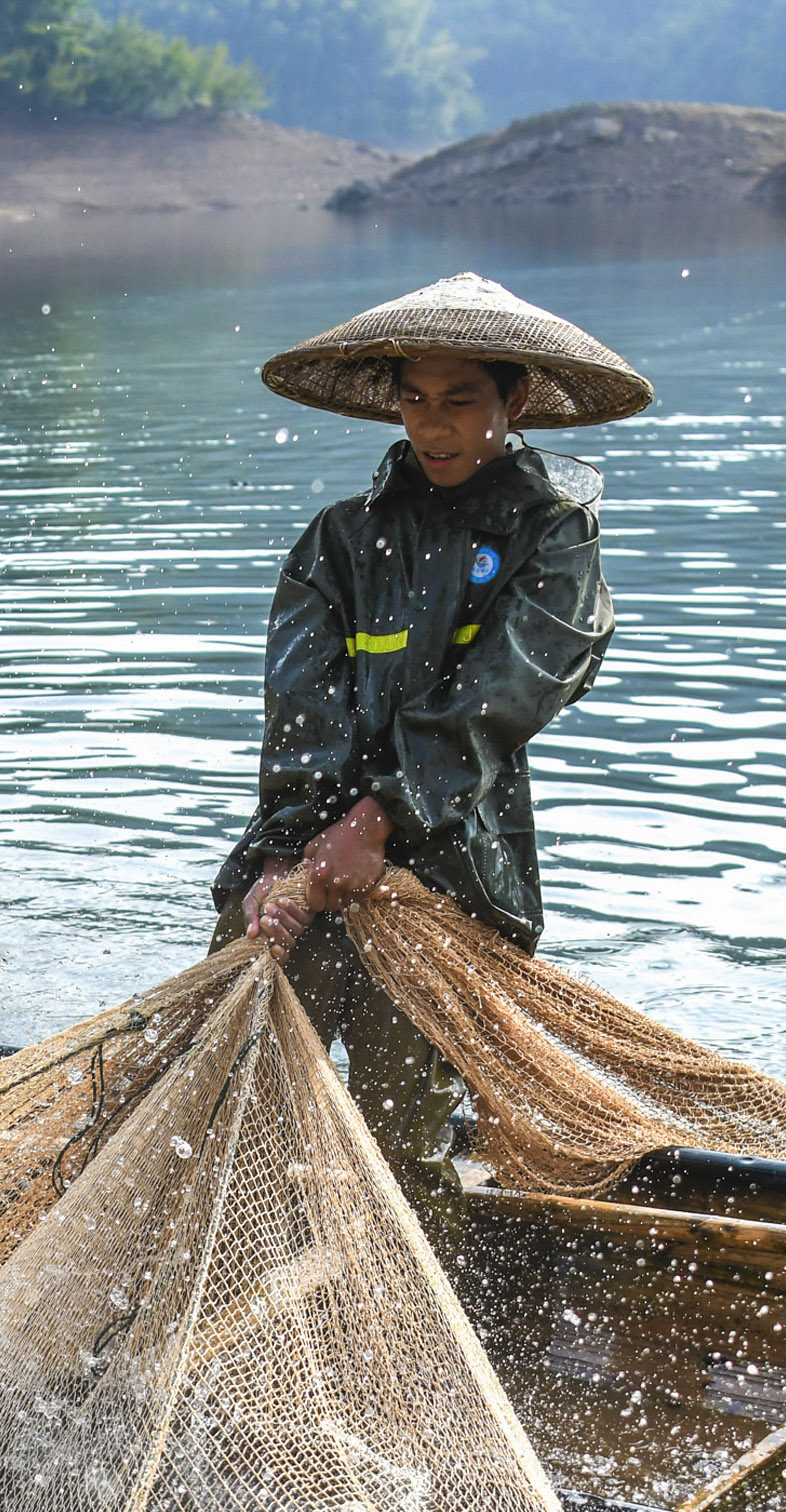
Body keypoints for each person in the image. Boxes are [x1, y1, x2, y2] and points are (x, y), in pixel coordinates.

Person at [210, 273, 653, 1219]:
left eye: (459, 400)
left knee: (400, 1150)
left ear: (514, 400)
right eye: (415, 400)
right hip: (309, 861)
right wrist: (287, 861)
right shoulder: (340, 539)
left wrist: (379, 821)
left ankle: (413, 1291)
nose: (433, 426)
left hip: (451, 880)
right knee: (224, 1114)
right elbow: (299, 714)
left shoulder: (554, 540)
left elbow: (499, 699)